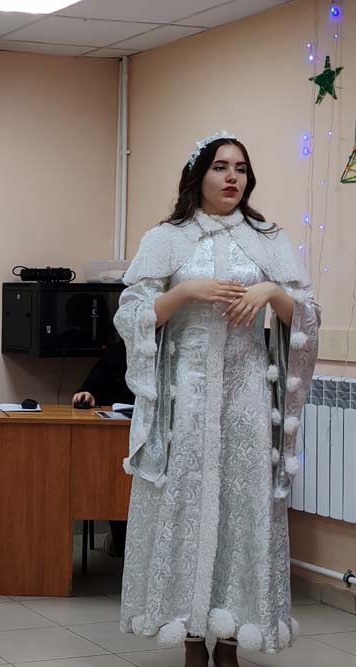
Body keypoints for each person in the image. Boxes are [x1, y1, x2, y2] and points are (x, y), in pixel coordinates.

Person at [115, 131, 320, 667]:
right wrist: (184, 292)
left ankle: (231, 639)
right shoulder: (167, 238)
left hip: (247, 397)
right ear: (198, 175)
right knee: (187, 506)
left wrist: (272, 293)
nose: (232, 177)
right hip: (187, 398)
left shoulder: (268, 239)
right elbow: (130, 315)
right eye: (221, 167)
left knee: (241, 511)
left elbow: (308, 316)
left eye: (241, 169)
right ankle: (190, 636)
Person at [71, 339, 133, 556]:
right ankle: (121, 543)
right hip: (119, 436)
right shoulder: (122, 349)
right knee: (115, 479)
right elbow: (93, 384)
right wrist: (87, 393)